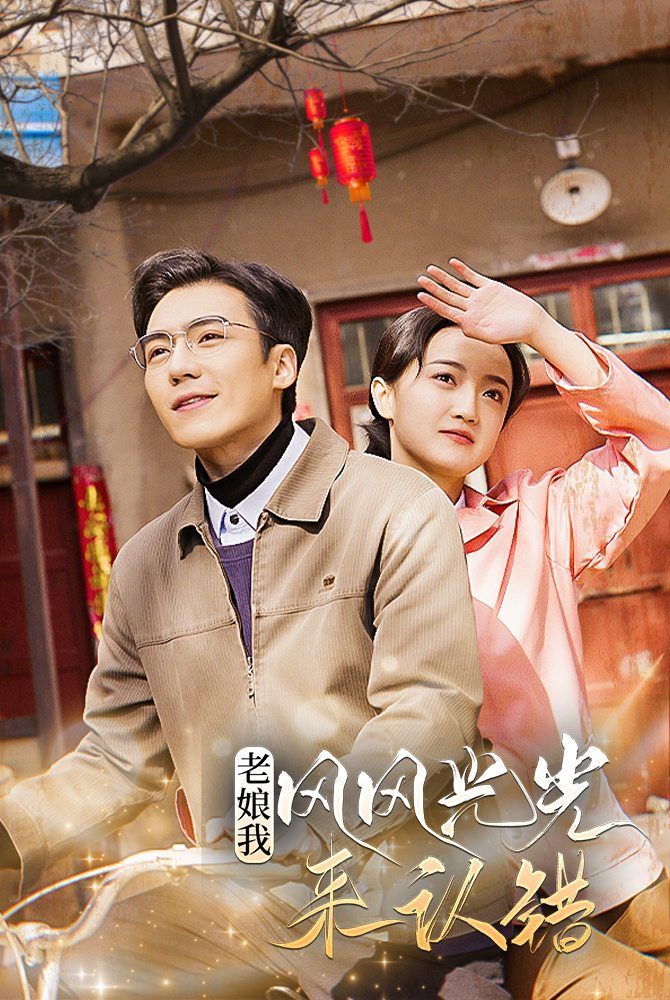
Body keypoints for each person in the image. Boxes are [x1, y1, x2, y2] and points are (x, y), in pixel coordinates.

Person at [0, 250, 508, 1000]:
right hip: (241, 915)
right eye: (158, 350)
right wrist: (14, 832)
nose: (179, 366)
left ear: (281, 366)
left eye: (209, 338)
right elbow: (115, 758)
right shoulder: (144, 565)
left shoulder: (396, 508)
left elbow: (428, 712)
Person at [366, 258, 670, 1000]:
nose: (468, 407)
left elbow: (657, 442)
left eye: (493, 392)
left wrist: (541, 329)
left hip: (593, 869)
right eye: (444, 379)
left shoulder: (535, 519)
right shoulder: (329, 552)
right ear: (383, 394)